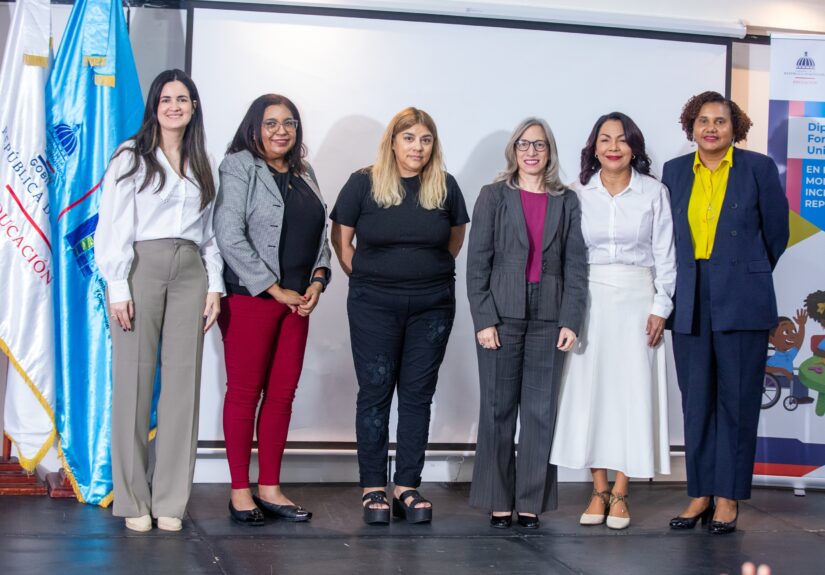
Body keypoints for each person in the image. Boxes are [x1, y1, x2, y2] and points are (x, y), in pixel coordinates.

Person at [95, 69, 224, 532]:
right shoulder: (130, 156)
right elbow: (111, 226)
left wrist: (215, 285)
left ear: (193, 107)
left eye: (183, 99)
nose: (175, 105)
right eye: (167, 98)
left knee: (183, 387)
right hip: (140, 268)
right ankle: (133, 502)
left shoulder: (203, 158)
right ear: (155, 106)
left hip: (191, 269)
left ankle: (170, 500)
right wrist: (117, 287)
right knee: (133, 382)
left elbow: (210, 234)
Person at [330, 107, 468, 525]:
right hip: (373, 304)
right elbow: (342, 240)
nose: (418, 147)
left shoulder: (445, 186)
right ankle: (373, 487)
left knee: (417, 396)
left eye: (425, 139)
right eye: (409, 138)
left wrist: (421, 276)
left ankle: (407, 485)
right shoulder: (363, 182)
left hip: (432, 306)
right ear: (393, 141)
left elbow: (454, 241)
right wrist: (374, 278)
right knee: (374, 393)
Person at [663, 91, 789, 534]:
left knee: (736, 401)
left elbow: (777, 232)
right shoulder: (675, 172)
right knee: (696, 401)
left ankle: (728, 497)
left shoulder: (757, 168)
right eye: (702, 121)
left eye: (720, 121)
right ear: (691, 127)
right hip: (690, 296)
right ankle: (700, 491)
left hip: (742, 297)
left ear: (735, 128)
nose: (711, 128)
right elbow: (667, 236)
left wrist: (744, 272)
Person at [549, 112, 676, 529]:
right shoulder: (576, 193)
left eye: (622, 140)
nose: (613, 147)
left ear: (634, 146)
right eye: (605, 139)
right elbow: (566, 257)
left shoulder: (654, 193)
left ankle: (622, 491)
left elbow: (665, 255)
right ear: (594, 147)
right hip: (589, 300)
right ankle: (598, 488)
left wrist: (661, 306)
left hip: (639, 300)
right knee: (591, 393)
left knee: (631, 394)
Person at [214, 94, 331, 526]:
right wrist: (273, 288)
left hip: (298, 303)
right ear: (254, 127)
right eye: (271, 123)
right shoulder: (239, 165)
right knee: (245, 394)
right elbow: (228, 234)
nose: (281, 130)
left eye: (290, 123)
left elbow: (322, 233)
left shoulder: (305, 172)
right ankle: (240, 491)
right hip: (251, 298)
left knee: (282, 395)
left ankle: (270, 487)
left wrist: (318, 280)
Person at [466, 117, 587, 529]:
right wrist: (484, 318)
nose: (531, 152)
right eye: (523, 145)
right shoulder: (493, 196)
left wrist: (571, 318)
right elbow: (476, 262)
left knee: (540, 412)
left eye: (539, 145)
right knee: (498, 410)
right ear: (513, 151)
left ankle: (531, 501)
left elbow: (576, 266)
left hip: (549, 319)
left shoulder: (566, 200)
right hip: (501, 315)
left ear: (550, 151)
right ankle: (498, 500)